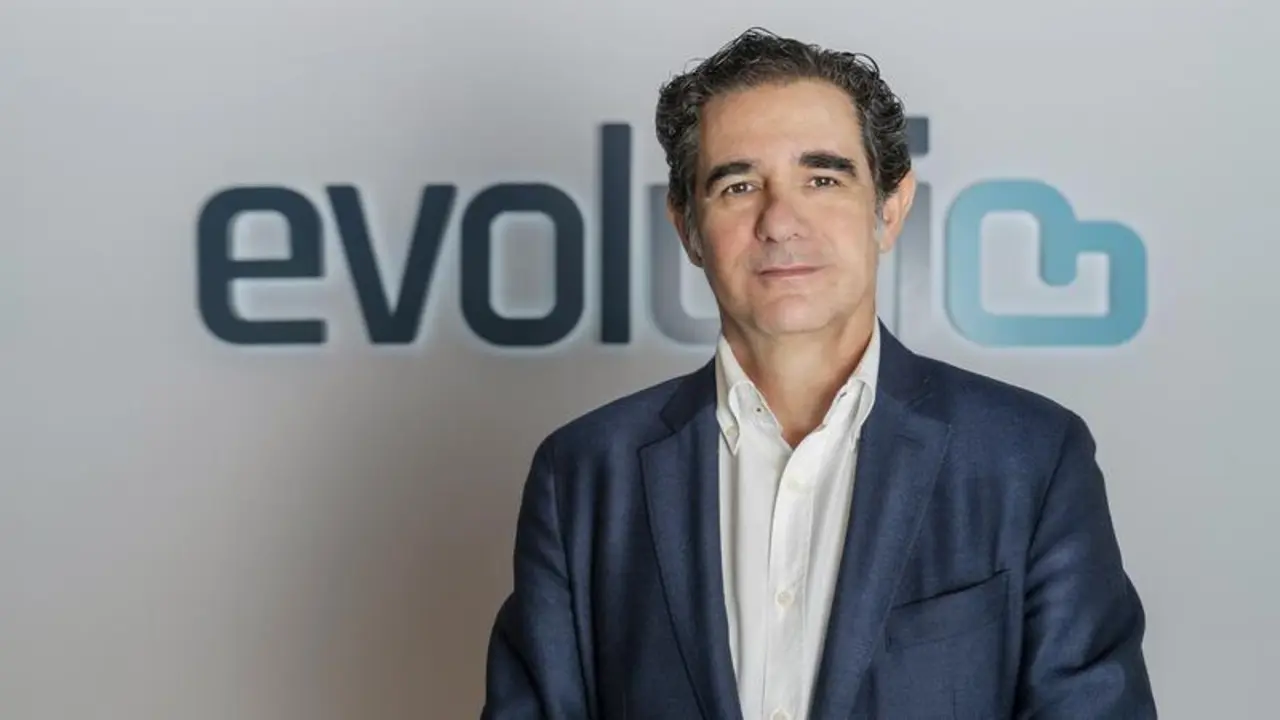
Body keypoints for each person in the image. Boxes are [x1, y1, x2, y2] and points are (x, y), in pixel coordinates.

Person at [481, 27, 1156, 720]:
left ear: (889, 207)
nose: (780, 221)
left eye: (823, 179)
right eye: (739, 185)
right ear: (686, 226)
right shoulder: (583, 476)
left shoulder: (1030, 459)